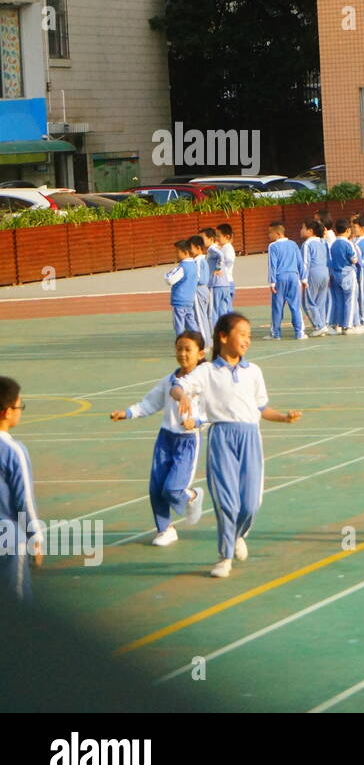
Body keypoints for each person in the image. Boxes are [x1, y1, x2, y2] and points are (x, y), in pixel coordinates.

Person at [171, 312, 302, 578]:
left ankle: (238, 535)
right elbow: (177, 385)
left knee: (250, 503)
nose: (247, 340)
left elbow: (261, 407)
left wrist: (283, 418)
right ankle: (224, 556)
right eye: (242, 334)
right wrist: (183, 395)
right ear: (223, 336)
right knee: (227, 503)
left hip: (250, 438)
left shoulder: (253, 372)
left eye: (249, 336)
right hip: (222, 438)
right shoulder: (207, 371)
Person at [110, 332, 206, 545]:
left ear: (200, 354)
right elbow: (149, 403)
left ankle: (193, 496)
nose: (182, 354)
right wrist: (127, 413)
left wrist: (196, 422)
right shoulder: (168, 381)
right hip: (165, 439)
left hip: (187, 441)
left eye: (187, 349)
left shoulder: (204, 383)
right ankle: (165, 529)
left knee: (172, 489)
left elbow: (213, 413)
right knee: (156, 488)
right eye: (179, 348)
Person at [0, 377, 41, 601]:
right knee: (16, 600)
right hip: (8, 536)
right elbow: (24, 499)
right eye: (19, 406)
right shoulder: (13, 451)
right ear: (7, 411)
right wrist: (35, 536)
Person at [266, 221, 307, 341]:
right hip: (294, 277)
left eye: (270, 233)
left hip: (280, 277)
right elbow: (300, 262)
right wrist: (303, 278)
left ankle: (276, 333)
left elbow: (272, 265)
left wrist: (272, 282)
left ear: (278, 233)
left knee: (277, 307)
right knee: (295, 306)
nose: (269, 235)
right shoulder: (293, 244)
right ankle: (299, 332)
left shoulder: (273, 246)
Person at [327, 218, 359, 335]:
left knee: (339, 301)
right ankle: (348, 326)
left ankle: (338, 325)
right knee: (349, 301)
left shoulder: (334, 244)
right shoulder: (348, 243)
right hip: (348, 275)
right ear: (347, 230)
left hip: (336, 275)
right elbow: (354, 259)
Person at [301, 221, 331, 337]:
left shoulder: (307, 244)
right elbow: (328, 258)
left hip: (313, 274)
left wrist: (303, 278)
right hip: (325, 273)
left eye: (303, 228)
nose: (301, 230)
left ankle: (319, 326)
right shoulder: (323, 242)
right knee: (320, 302)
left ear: (310, 231)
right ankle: (322, 324)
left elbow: (305, 262)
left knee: (308, 302)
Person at [165, 239, 200, 335]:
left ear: (185, 252)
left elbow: (170, 279)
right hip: (189, 300)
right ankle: (198, 342)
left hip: (179, 300)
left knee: (179, 324)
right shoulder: (194, 265)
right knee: (191, 322)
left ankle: (181, 341)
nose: (176, 254)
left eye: (177, 252)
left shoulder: (182, 267)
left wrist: (166, 275)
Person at [190, 235, 213, 347]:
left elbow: (200, 278)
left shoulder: (198, 261)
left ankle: (204, 343)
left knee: (199, 318)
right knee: (204, 317)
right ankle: (207, 340)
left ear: (198, 248)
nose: (189, 251)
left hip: (199, 290)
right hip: (204, 290)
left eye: (191, 248)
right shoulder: (203, 260)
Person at [211, 224, 236, 318]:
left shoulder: (227, 248)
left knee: (224, 309)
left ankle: (228, 327)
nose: (216, 238)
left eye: (218, 236)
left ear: (227, 237)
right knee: (225, 308)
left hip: (226, 282)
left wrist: (219, 266)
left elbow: (228, 259)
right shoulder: (223, 247)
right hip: (226, 281)